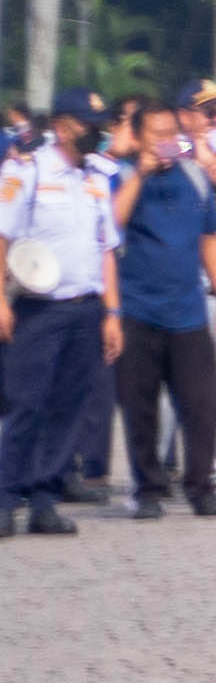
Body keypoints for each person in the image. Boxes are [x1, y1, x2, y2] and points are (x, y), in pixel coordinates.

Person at [110, 97, 216, 520]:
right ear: (138, 137)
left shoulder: (194, 177)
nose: (166, 141)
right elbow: (110, 225)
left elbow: (209, 240)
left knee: (203, 405)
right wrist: (140, 175)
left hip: (188, 311)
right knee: (140, 405)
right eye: (156, 134)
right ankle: (148, 488)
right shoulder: (120, 176)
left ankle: (202, 486)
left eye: (171, 134)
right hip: (137, 309)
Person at [3, 102, 120, 532]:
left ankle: (44, 501)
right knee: (26, 405)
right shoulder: (27, 171)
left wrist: (112, 312)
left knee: (68, 409)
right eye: (90, 125)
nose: (97, 133)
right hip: (38, 308)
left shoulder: (97, 178)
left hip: (86, 307)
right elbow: (2, 236)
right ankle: (4, 499)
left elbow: (107, 249)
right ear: (62, 127)